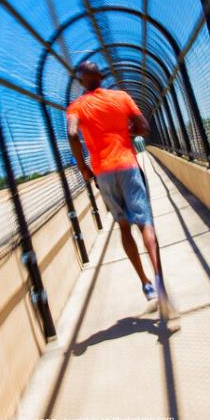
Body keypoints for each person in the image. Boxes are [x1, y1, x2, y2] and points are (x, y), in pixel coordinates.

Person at [66, 61, 169, 312]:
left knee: (124, 226)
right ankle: (158, 278)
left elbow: (71, 134)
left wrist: (83, 168)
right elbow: (143, 127)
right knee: (145, 222)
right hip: (128, 165)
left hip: (102, 171)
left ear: (81, 81)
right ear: (101, 77)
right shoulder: (121, 97)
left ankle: (145, 282)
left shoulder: (76, 106)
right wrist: (125, 132)